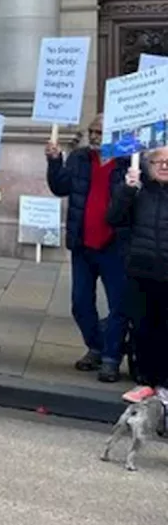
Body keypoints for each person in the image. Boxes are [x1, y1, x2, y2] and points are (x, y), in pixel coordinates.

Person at [46, 115, 130, 383]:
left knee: (119, 305)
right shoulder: (79, 158)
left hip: (115, 245)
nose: (94, 136)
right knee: (81, 303)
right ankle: (98, 345)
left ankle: (110, 359)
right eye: (92, 131)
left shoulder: (127, 164)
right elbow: (60, 187)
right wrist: (54, 161)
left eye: (100, 132)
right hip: (83, 244)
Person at [106, 147, 168, 405]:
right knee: (143, 329)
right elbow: (113, 218)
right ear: (148, 165)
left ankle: (165, 384)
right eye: (159, 161)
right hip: (141, 270)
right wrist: (126, 191)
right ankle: (146, 381)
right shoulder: (138, 191)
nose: (164, 166)